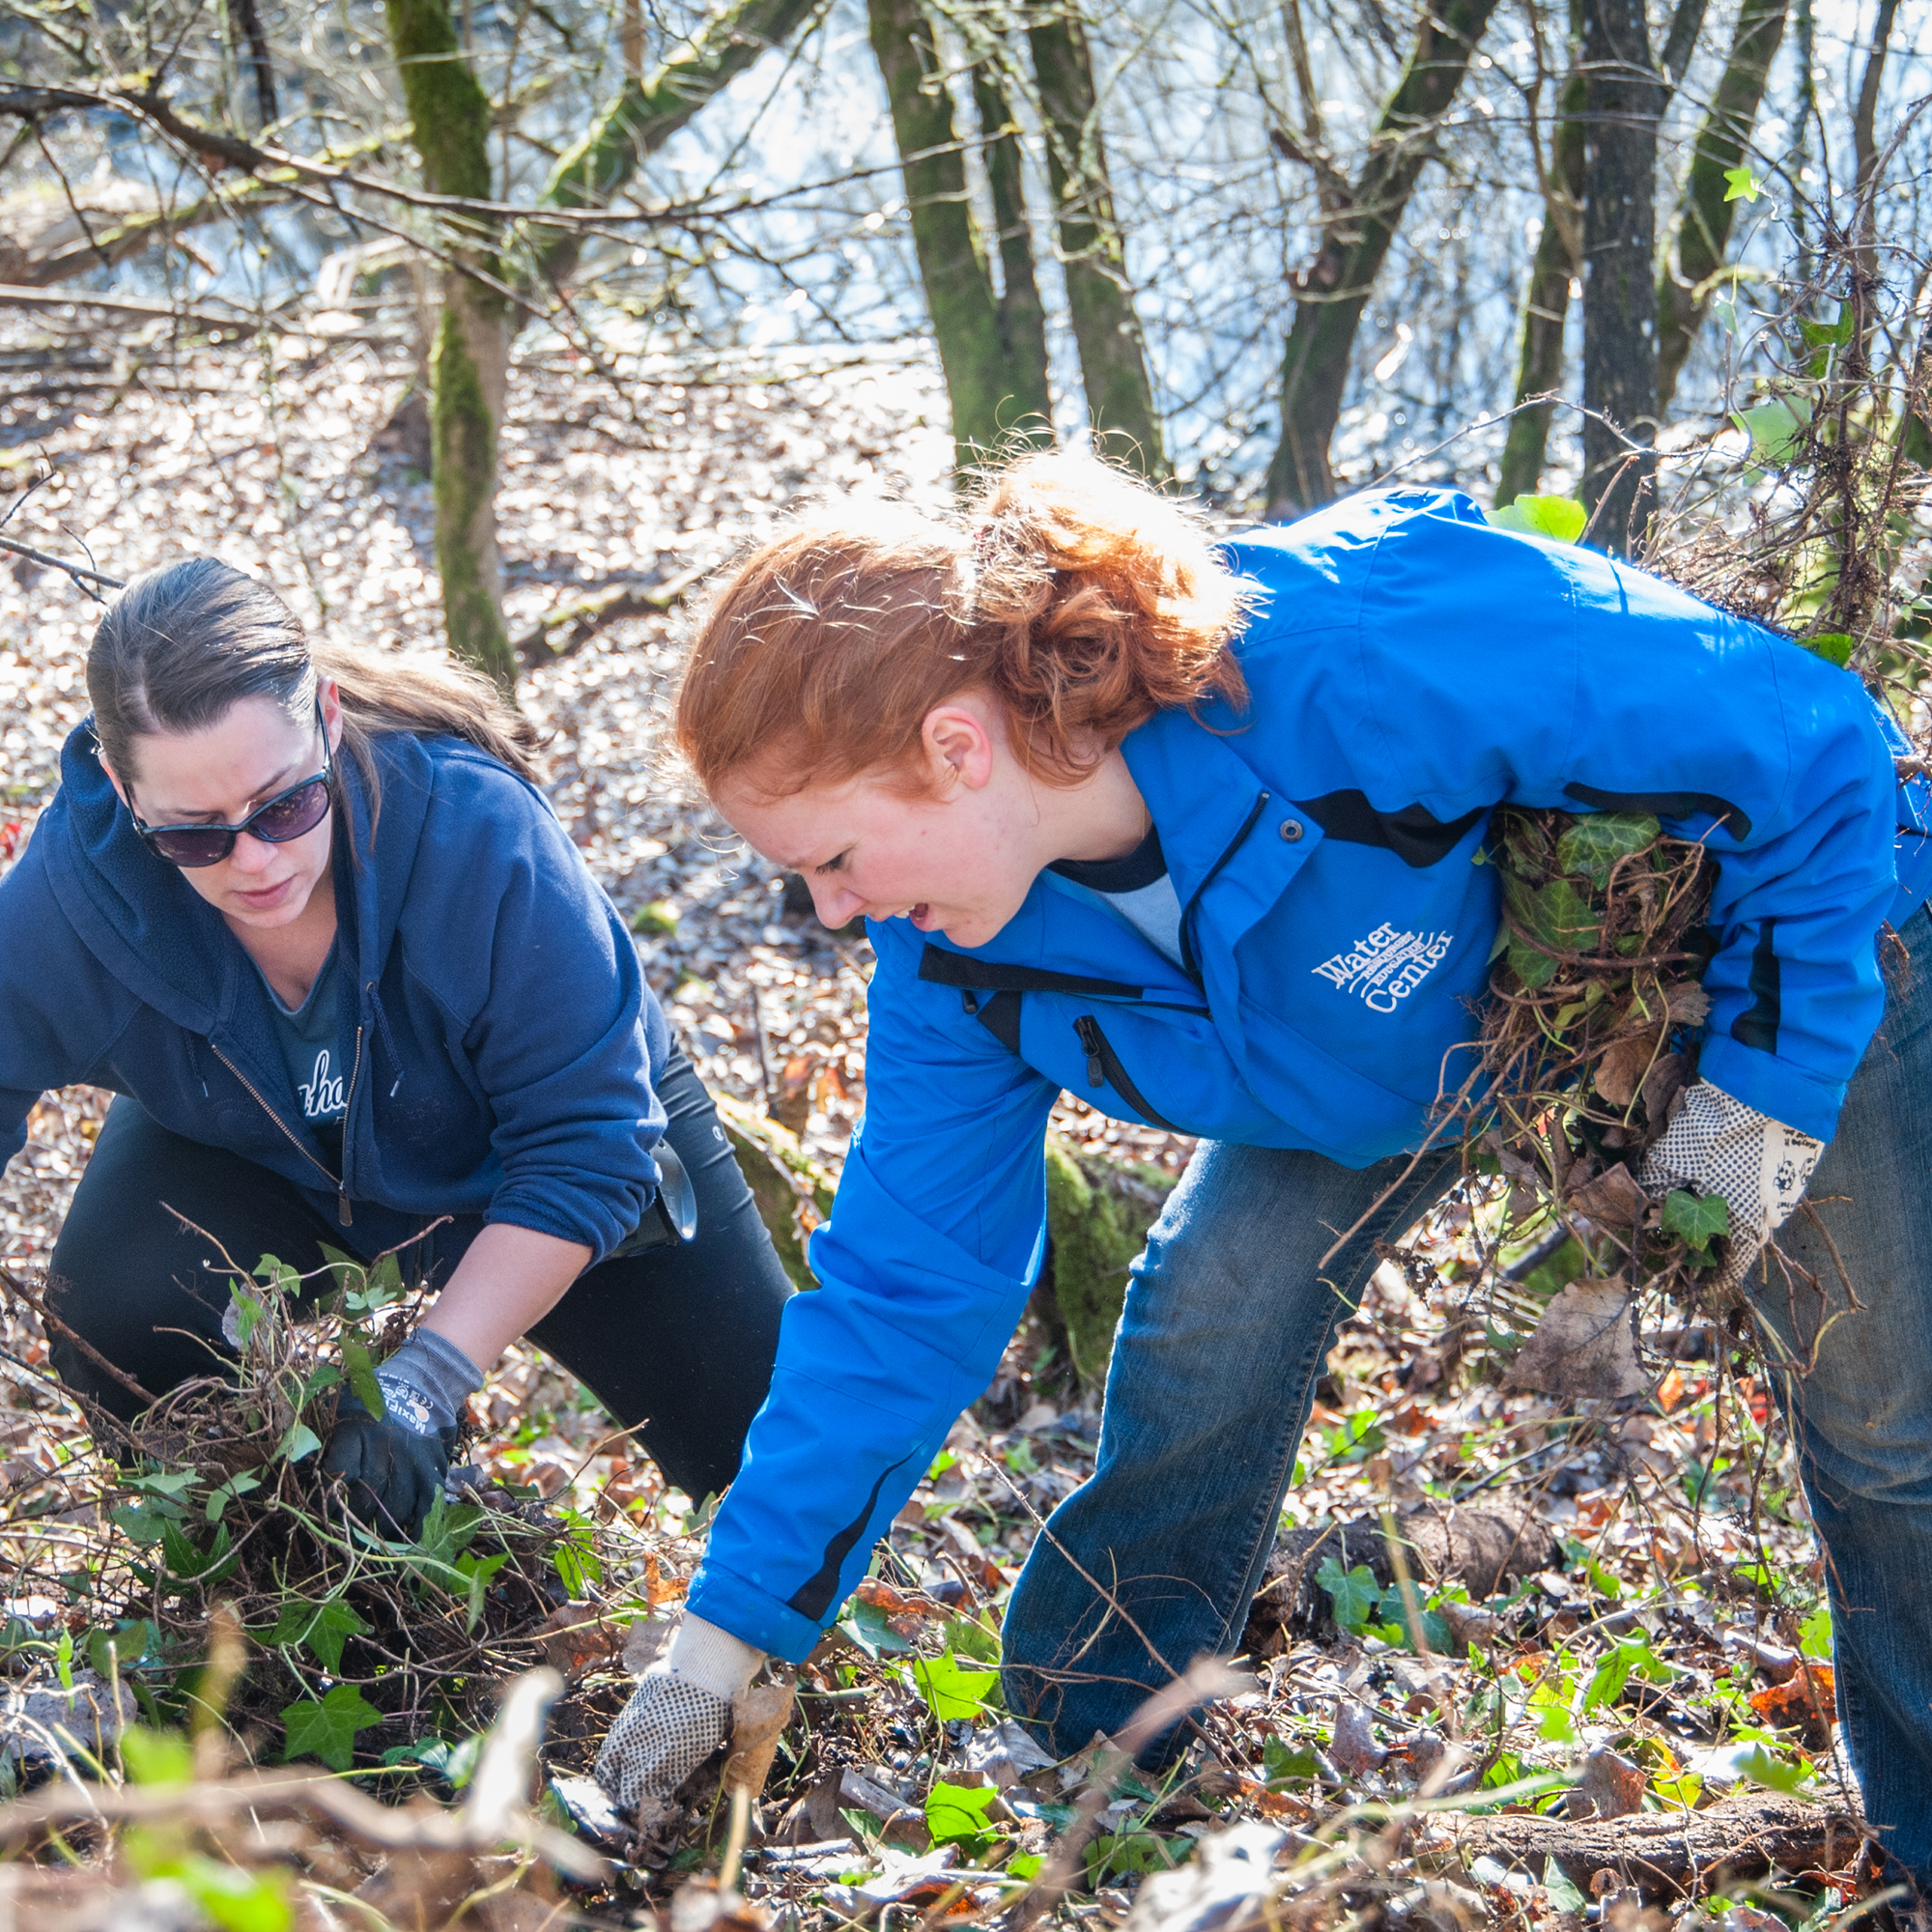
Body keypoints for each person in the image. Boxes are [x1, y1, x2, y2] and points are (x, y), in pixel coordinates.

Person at [593, 452, 1932, 1885]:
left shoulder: (1345, 651)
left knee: (1883, 1427)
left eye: (837, 857)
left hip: (1800, 956)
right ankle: (1087, 1761)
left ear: (958, 748)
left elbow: (1802, 744)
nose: (830, 910)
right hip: (1384, 1069)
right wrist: (719, 1646)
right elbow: (902, 1298)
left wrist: (1752, 1109)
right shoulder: (951, 960)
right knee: (1211, 1307)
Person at [0, 557, 794, 1694]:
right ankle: (271, 1632)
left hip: (536, 1150)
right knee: (115, 1307)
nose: (257, 858)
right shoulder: (70, 905)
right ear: (129, 802)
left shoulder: (472, 833)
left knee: (763, 1447)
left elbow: (587, 1141)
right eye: (196, 836)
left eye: (283, 804)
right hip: (252, 1151)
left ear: (325, 720)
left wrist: (428, 1374)